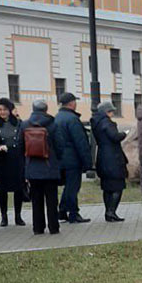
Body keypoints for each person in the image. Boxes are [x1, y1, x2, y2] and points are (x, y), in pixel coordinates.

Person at [18, 100, 62, 235]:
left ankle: (38, 228)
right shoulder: (53, 124)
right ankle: (54, 227)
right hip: (50, 167)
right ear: (46, 109)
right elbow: (60, 145)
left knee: (36, 200)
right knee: (52, 199)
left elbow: (20, 146)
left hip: (32, 167)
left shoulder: (25, 124)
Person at [55, 93, 91, 224]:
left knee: (68, 187)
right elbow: (80, 142)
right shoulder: (72, 119)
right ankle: (73, 213)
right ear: (71, 103)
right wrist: (88, 162)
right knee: (73, 187)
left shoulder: (57, 118)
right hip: (72, 160)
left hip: (60, 159)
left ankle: (62, 211)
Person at [0, 98, 26, 227]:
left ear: (10, 110)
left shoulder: (18, 122)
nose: (2, 112)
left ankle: (18, 216)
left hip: (16, 158)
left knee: (18, 189)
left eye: (4, 109)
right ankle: (4, 217)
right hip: (1, 159)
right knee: (2, 190)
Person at [92, 101, 128, 222]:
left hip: (102, 156)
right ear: (106, 111)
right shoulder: (107, 123)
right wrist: (124, 134)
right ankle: (111, 211)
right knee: (118, 186)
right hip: (113, 158)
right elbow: (114, 137)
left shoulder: (96, 122)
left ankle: (108, 212)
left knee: (107, 187)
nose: (113, 113)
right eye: (111, 111)